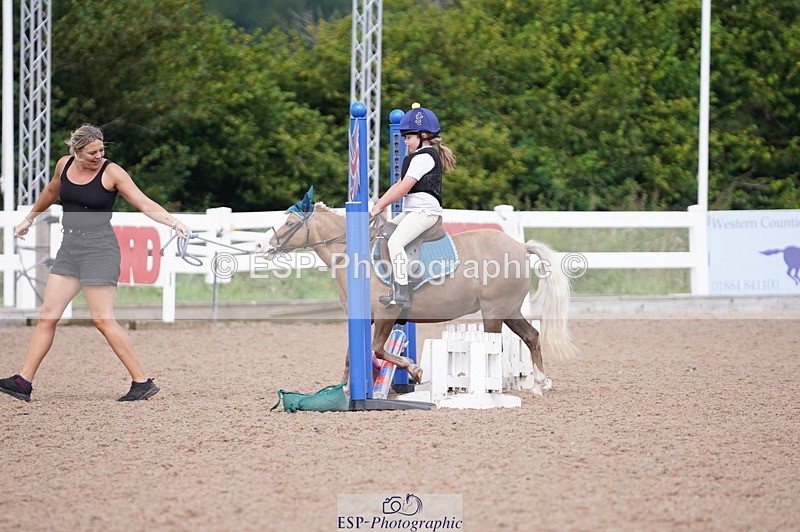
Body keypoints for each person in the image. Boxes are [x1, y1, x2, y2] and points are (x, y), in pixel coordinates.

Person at [0, 124, 190, 402]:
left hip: (100, 249)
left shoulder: (112, 172)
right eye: (92, 152)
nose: (99, 155)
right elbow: (51, 192)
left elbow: (143, 202)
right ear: (76, 151)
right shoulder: (64, 165)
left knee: (102, 319)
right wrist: (29, 219)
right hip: (70, 248)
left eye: (101, 150)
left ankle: (142, 382)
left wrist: (174, 222)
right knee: (48, 315)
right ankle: (24, 381)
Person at [370, 103, 456, 308]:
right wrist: (379, 204)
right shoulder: (416, 157)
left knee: (396, 242)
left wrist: (380, 206)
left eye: (409, 137)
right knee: (385, 232)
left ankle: (402, 291)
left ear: (423, 136)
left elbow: (403, 189)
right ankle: (397, 279)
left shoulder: (424, 157)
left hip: (425, 212)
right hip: (414, 211)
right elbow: (397, 185)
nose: (406, 142)